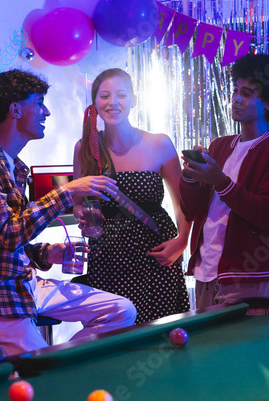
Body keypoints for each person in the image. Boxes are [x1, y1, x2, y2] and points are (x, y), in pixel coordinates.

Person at [0, 70, 137, 356]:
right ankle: (52, 369)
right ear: (15, 109)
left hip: (23, 282)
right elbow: (9, 234)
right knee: (40, 369)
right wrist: (67, 191)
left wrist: (48, 253)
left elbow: (6, 243)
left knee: (121, 311)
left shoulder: (15, 166)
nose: (46, 111)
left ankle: (60, 364)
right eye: (39, 103)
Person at [72, 68, 190, 324]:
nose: (113, 102)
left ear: (134, 100)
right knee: (113, 331)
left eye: (121, 95)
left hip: (157, 252)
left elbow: (183, 202)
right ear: (95, 103)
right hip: (108, 256)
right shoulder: (86, 148)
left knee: (162, 330)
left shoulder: (160, 143)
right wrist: (83, 215)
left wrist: (182, 241)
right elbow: (78, 204)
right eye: (105, 95)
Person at [179, 53, 269, 309]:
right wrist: (190, 176)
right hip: (205, 269)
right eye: (235, 90)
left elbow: (266, 215)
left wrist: (220, 181)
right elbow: (192, 211)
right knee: (206, 337)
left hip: (246, 274)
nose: (236, 98)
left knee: (244, 337)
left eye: (247, 93)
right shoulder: (220, 145)